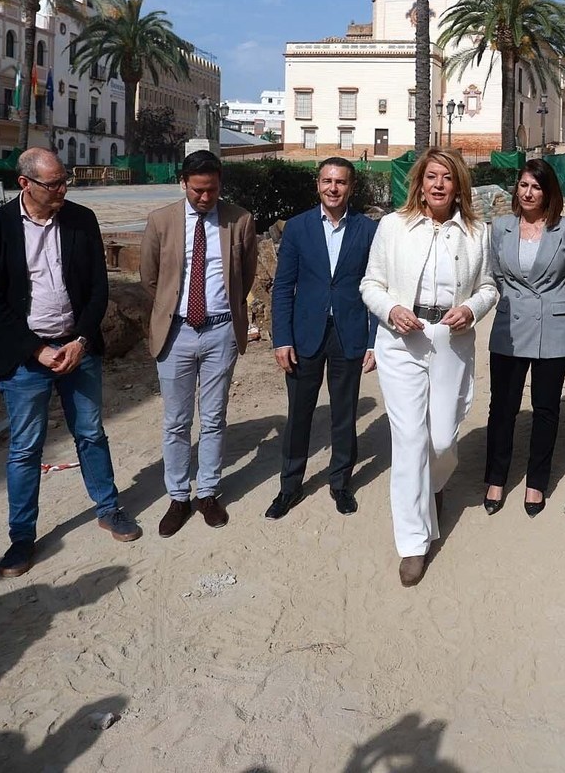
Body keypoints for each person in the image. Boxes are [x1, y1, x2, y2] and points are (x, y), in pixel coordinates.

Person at [0, 148, 140, 578]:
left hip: (76, 349)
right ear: (25, 184)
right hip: (24, 358)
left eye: (65, 181)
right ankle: (21, 539)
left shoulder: (81, 219)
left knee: (90, 432)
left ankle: (109, 509)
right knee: (26, 449)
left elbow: (98, 290)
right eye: (54, 184)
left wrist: (81, 341)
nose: (63, 190)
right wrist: (36, 349)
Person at [360, 149, 498, 586]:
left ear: (459, 186)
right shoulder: (392, 226)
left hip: (450, 340)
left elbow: (489, 286)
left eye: (448, 178)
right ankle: (414, 543)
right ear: (418, 182)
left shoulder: (477, 232)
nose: (439, 184)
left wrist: (473, 310)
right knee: (408, 440)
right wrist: (391, 309)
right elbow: (370, 283)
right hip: (402, 340)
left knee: (440, 437)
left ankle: (434, 487)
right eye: (431, 177)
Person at [140, 150, 260, 534]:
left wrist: (224, 311)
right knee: (176, 420)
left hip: (221, 332)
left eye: (211, 190)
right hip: (175, 332)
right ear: (183, 184)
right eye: (197, 191)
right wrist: (174, 310)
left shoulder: (239, 220)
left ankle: (208, 492)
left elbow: (247, 273)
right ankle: (178, 497)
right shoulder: (161, 221)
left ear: (220, 185)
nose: (204, 198)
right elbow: (149, 276)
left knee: (213, 418)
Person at [266, 157, 379, 520]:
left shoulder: (367, 230)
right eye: (327, 181)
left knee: (344, 414)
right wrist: (281, 338)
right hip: (304, 336)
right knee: (299, 414)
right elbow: (282, 287)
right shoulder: (298, 228)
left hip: (350, 333)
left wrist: (374, 341)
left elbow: (378, 287)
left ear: (351, 188)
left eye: (341, 182)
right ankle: (290, 486)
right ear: (318, 185)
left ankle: (341, 483)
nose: (333, 188)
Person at [483, 159, 565, 517]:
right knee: (502, 407)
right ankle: (495, 477)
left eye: (536, 187)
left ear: (548, 191)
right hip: (510, 327)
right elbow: (495, 274)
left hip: (551, 326)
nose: (528, 192)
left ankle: (536, 481)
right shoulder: (501, 226)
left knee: (545, 408)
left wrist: (552, 308)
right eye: (523, 185)